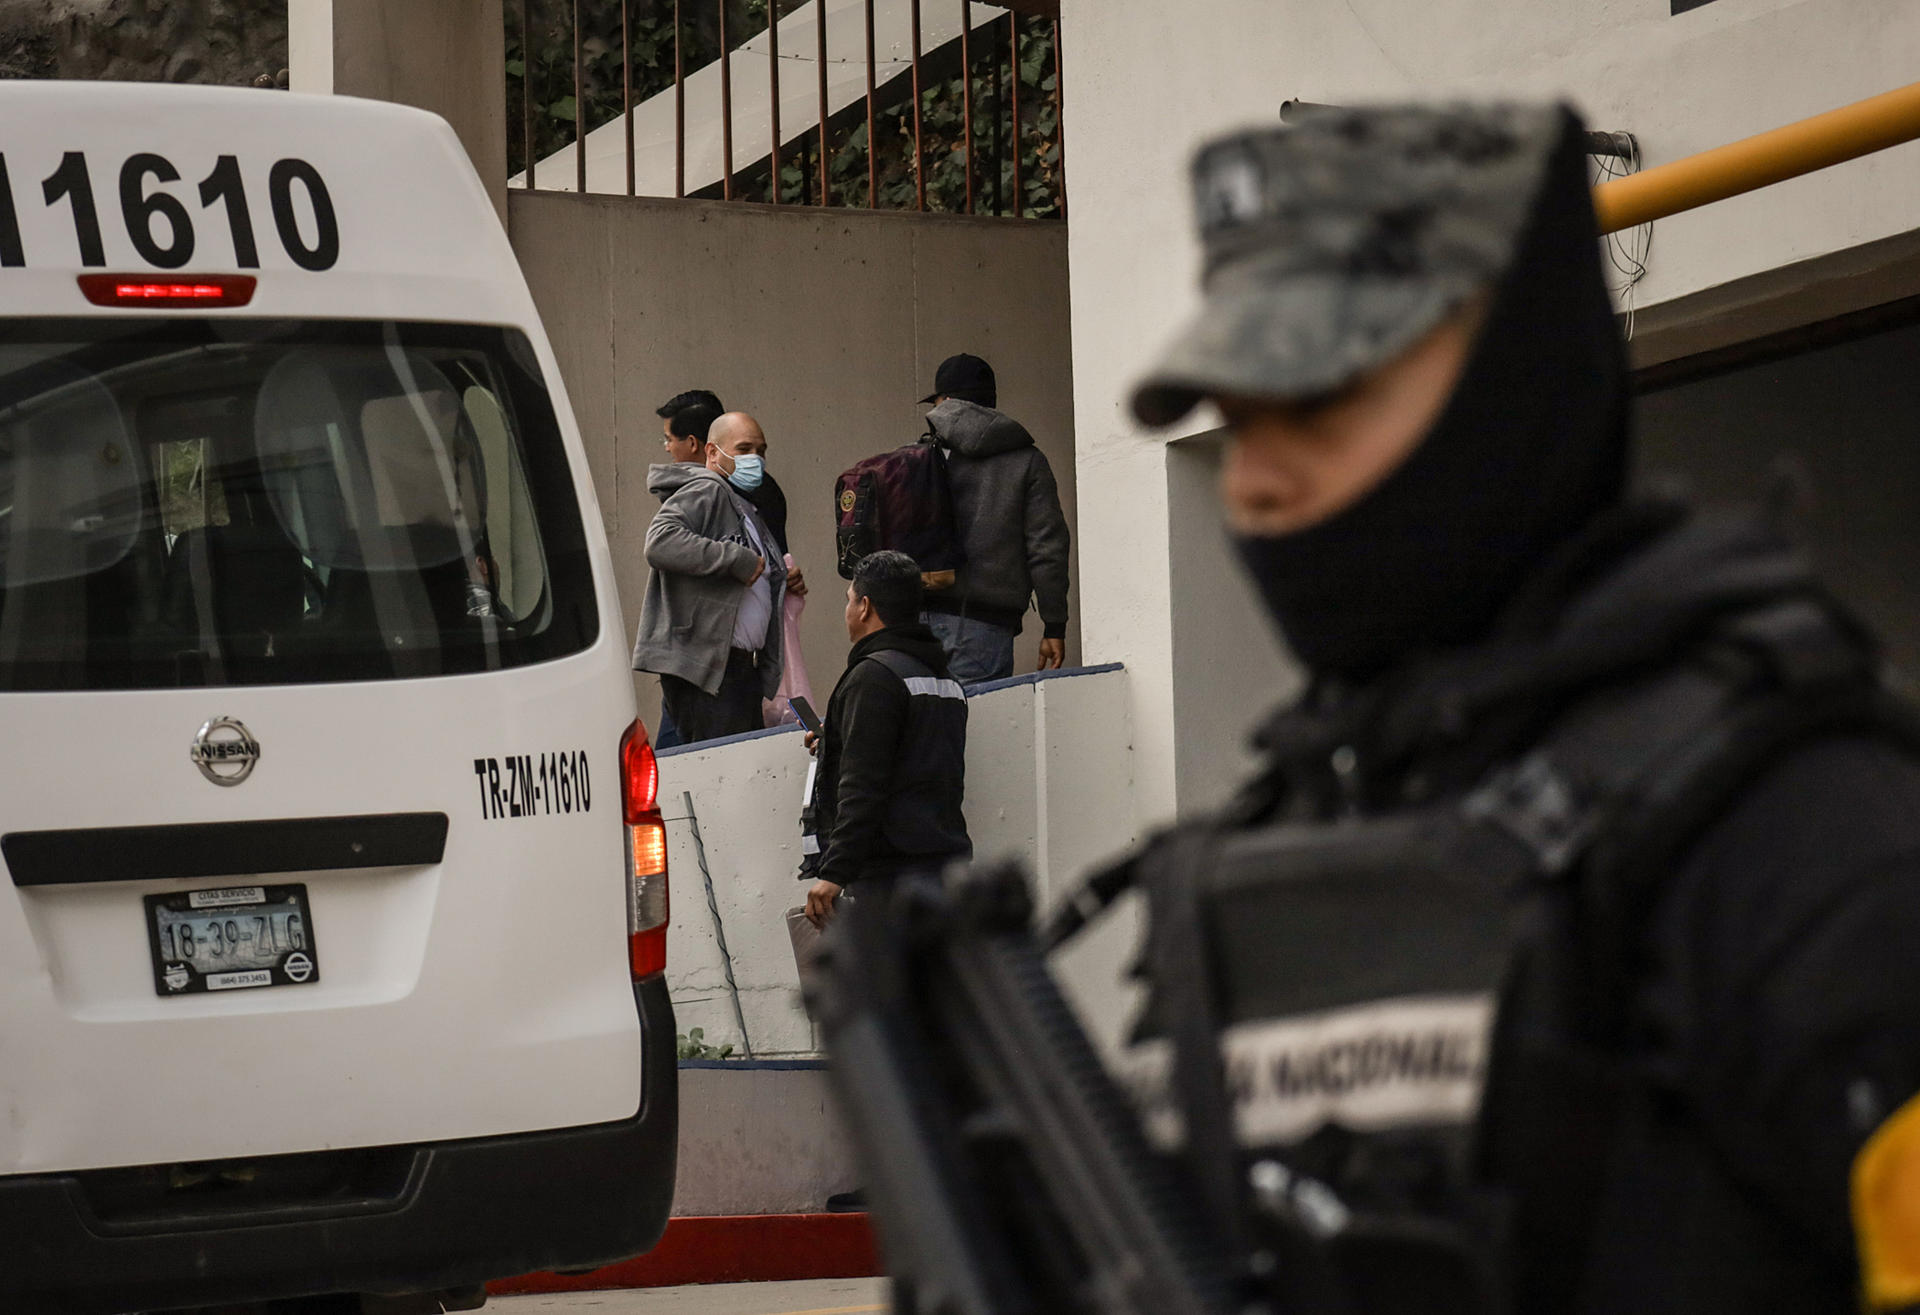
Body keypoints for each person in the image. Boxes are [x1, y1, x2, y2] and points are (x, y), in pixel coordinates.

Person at [1120, 105, 1920, 1314]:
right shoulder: (1282, 831)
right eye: (1242, 420)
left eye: (1322, 407)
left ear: (1512, 393)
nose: (1259, 482)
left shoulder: (1798, 830)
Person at [802, 550, 972, 930]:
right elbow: (915, 763)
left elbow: (865, 785)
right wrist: (837, 745)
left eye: (849, 599)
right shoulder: (945, 681)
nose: (846, 610)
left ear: (865, 606)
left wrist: (835, 873)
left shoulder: (873, 678)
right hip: (945, 871)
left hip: (891, 883)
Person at [632, 411, 787, 745]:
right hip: (712, 672)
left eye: (760, 451)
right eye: (744, 448)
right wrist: (735, 559)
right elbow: (661, 541)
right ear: (713, 452)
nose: (755, 459)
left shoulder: (742, 504)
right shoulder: (709, 488)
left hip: (736, 670)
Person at [919, 353, 1071, 684]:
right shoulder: (1027, 460)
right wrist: (1054, 624)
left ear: (944, 402)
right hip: (985, 628)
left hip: (911, 624)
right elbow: (1047, 549)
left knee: (923, 729)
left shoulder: (920, 455)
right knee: (978, 729)